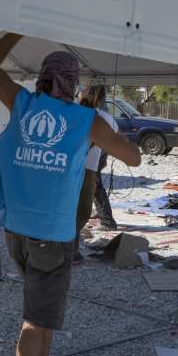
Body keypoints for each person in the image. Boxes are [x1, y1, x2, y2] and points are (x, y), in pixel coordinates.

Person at [0, 36, 142, 356]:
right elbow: (133, 157)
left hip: (14, 229)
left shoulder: (21, 103)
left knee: (42, 307)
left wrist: (15, 31)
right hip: (53, 235)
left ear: (44, 77)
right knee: (35, 317)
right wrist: (114, 134)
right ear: (73, 82)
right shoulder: (86, 120)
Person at [73, 85, 119, 263]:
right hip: (88, 165)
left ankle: (107, 221)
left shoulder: (85, 114)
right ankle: (106, 220)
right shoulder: (103, 116)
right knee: (78, 207)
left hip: (84, 167)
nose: (79, 94)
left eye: (81, 93)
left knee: (76, 208)